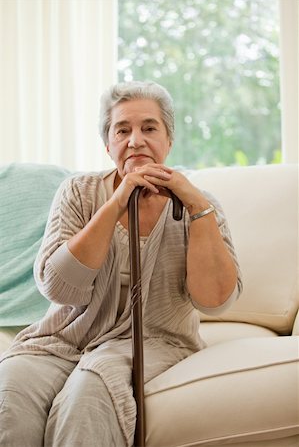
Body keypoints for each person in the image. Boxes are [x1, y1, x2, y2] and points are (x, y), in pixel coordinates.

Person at [0, 81, 242, 447]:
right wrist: (116, 203)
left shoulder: (199, 205)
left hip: (155, 339)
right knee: (11, 391)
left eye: (149, 128)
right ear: (107, 144)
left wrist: (196, 207)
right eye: (122, 130)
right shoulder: (79, 192)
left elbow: (215, 300)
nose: (135, 140)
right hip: (62, 341)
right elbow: (59, 287)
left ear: (169, 140)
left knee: (90, 394)